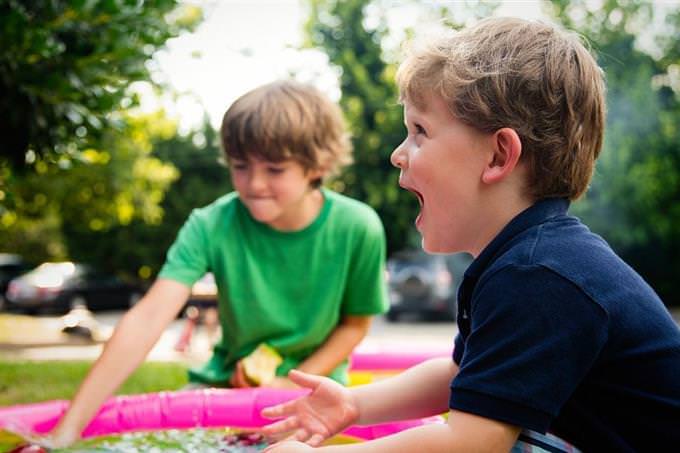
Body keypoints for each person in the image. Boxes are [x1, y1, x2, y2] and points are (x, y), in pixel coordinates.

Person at [259, 17, 680, 452]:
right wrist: (353, 405)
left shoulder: (541, 275)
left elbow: (472, 443)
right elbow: (461, 374)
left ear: (498, 155)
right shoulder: (526, 260)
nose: (397, 154)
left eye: (420, 132)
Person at [44, 80, 389, 446]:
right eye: (241, 166)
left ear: (317, 165)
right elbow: (148, 318)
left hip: (316, 392)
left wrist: (291, 381)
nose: (254, 183)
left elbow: (355, 324)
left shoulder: (358, 227)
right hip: (226, 387)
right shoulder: (210, 224)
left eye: (274, 169)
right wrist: (66, 431)